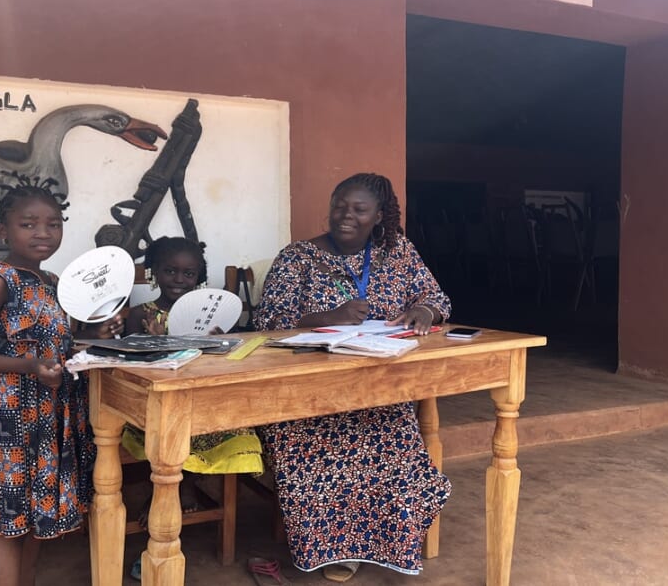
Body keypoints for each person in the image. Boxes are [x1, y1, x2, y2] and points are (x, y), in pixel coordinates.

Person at [254, 172, 452, 583]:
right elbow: (267, 323)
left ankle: (390, 542)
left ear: (378, 216)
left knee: (396, 442)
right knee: (325, 450)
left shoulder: (397, 253)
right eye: (339, 206)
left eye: (359, 209)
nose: (346, 215)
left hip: (377, 389)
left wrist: (424, 311)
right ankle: (336, 549)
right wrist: (327, 317)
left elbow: (435, 297)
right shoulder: (297, 257)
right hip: (304, 398)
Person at [0, 174, 107, 586]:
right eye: (28, 224)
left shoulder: (53, 284)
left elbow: (58, 345)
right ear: (3, 230)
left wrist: (97, 335)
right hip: (10, 416)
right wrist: (31, 367)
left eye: (53, 224)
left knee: (37, 517)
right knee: (9, 522)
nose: (43, 233)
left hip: (51, 413)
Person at [122, 237, 264, 512]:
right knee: (171, 424)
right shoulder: (141, 314)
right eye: (169, 271)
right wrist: (155, 342)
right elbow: (134, 365)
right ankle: (165, 489)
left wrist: (221, 341)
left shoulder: (214, 317)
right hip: (157, 403)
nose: (179, 279)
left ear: (198, 277)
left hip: (202, 398)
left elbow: (224, 362)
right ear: (154, 271)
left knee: (226, 419)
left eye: (188, 273)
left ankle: (186, 484)